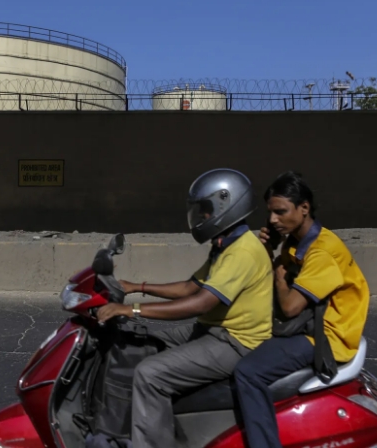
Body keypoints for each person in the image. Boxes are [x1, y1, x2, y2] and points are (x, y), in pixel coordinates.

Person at [96, 168, 274, 448]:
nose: (202, 216)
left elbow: (200, 303)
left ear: (226, 206)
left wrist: (131, 310)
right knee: (139, 342)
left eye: (206, 209)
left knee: (149, 374)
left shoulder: (243, 251)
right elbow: (190, 287)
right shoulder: (226, 244)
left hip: (236, 342)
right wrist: (136, 286)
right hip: (211, 329)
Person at [232, 171, 371, 448]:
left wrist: (279, 275)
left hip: (327, 337)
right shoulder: (297, 241)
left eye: (280, 212)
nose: (273, 220)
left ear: (304, 208)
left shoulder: (322, 251)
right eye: (271, 213)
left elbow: (290, 307)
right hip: (310, 325)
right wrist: (268, 248)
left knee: (248, 372)